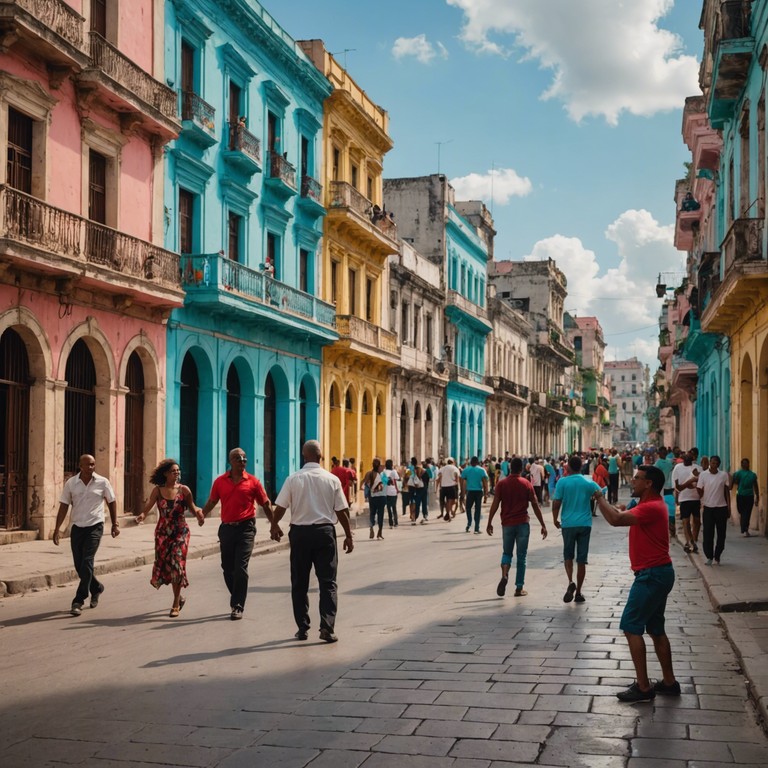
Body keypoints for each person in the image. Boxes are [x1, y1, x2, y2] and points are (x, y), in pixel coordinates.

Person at [593, 465, 680, 703]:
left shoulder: (651, 507)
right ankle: (669, 683)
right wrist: (614, 505)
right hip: (659, 573)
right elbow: (623, 510)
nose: (633, 482)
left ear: (649, 483)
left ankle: (643, 687)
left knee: (631, 627)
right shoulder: (647, 505)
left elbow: (616, 520)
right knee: (655, 629)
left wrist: (599, 496)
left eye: (637, 479)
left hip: (651, 575)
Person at [270, 440, 353, 643]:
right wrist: (349, 535)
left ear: (304, 456)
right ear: (321, 456)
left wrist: (274, 525)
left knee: (299, 582)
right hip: (324, 533)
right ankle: (327, 627)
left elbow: (280, 506)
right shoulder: (331, 479)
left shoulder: (293, 479)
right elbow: (342, 510)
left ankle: (302, 627)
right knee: (328, 583)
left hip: (300, 534)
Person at [200, 448, 274, 620]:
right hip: (226, 528)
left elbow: (266, 503)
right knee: (227, 568)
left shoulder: (253, 482)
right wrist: (202, 514)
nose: (242, 461)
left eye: (244, 459)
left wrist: (274, 525)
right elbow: (212, 501)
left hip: (246, 528)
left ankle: (237, 605)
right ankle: (237, 596)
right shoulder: (220, 482)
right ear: (231, 461)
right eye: (238, 458)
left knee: (241, 567)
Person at [53, 454, 119, 616]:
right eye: (88, 464)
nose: (91, 467)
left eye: (93, 464)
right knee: (79, 565)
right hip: (77, 527)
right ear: (80, 466)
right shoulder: (71, 483)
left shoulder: (102, 482)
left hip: (95, 526)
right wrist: (57, 529)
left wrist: (115, 524)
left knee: (87, 561)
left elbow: (112, 501)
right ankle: (96, 587)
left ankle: (78, 600)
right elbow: (63, 506)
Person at [137, 459, 204, 617]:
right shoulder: (158, 490)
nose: (177, 473)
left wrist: (199, 515)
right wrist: (142, 515)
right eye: (173, 471)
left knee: (177, 561)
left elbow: (193, 507)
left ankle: (175, 603)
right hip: (162, 532)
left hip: (180, 530)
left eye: (178, 471)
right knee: (166, 564)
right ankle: (179, 596)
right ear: (166, 473)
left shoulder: (184, 490)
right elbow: (148, 507)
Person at [486, 457, 547, 597]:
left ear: (510, 468)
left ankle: (505, 573)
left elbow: (495, 504)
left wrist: (489, 522)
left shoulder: (502, 484)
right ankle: (519, 588)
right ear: (521, 469)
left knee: (507, 553)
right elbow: (535, 505)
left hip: (507, 524)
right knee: (521, 556)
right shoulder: (526, 484)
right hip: (522, 524)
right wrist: (543, 524)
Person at [552, 454, 602, 604]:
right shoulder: (588, 482)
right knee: (582, 559)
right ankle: (579, 592)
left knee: (568, 556)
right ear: (581, 467)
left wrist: (555, 519)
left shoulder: (562, 482)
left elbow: (556, 503)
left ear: (568, 467)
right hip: (585, 524)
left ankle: (570, 582)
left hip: (568, 524)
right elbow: (600, 494)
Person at [696, 455, 731, 566]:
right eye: (712, 462)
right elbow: (699, 488)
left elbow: (727, 491)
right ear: (710, 463)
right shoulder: (703, 475)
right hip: (708, 508)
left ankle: (718, 555)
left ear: (718, 464)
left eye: (716, 463)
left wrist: (729, 508)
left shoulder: (723, 475)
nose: (714, 465)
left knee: (721, 534)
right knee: (707, 533)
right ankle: (709, 556)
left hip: (721, 508)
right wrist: (701, 498)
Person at [671, 452, 701, 553]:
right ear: (683, 458)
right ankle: (690, 541)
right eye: (686, 456)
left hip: (696, 498)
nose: (688, 457)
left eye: (690, 456)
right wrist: (676, 498)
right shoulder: (677, 468)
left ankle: (693, 540)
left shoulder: (698, 468)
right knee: (686, 521)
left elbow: (701, 482)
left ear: (693, 458)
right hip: (684, 498)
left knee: (697, 521)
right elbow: (676, 485)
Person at [731, 458, 759, 537]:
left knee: (747, 512)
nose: (745, 465)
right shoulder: (738, 473)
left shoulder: (752, 475)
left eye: (746, 463)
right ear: (741, 464)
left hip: (749, 496)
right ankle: (743, 526)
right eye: (744, 463)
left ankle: (745, 528)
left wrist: (757, 496)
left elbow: (755, 486)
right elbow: (734, 480)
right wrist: (731, 485)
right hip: (740, 495)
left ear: (749, 464)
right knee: (741, 511)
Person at [461, 456, 489, 534]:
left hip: (470, 491)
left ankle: (469, 523)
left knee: (468, 508)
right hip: (479, 492)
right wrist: (486, 492)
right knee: (478, 509)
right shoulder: (481, 470)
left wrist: (462, 493)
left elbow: (462, 482)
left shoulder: (466, 470)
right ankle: (476, 527)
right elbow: (485, 482)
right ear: (477, 462)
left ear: (471, 462)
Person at [654, 447, 676, 535]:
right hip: (664, 488)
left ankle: (671, 526)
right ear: (659, 453)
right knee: (668, 508)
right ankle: (668, 526)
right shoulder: (659, 463)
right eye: (662, 452)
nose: (664, 453)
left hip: (668, 488)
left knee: (670, 508)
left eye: (665, 452)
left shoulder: (667, 461)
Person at [363, 458, 386, 539]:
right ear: (379, 466)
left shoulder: (369, 474)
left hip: (373, 497)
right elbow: (385, 484)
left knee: (372, 513)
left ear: (372, 465)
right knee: (381, 514)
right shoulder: (382, 474)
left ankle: (371, 528)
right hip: (382, 497)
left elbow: (364, 484)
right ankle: (380, 532)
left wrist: (368, 492)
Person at [382, 459, 400, 528]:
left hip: (386, 491)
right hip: (393, 491)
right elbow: (397, 479)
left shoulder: (384, 472)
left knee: (388, 508)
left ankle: (391, 523)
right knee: (394, 507)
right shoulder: (394, 471)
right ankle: (396, 522)